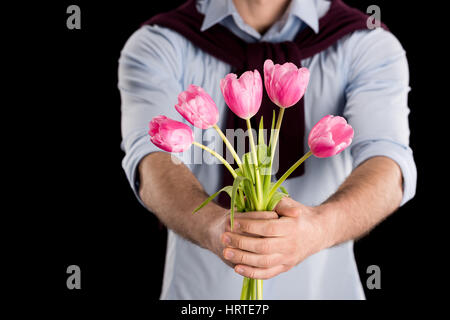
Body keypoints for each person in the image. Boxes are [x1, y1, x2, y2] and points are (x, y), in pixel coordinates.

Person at [119, 0, 416, 299]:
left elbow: (388, 161)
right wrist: (214, 228)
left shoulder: (366, 43)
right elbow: (151, 159)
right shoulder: (159, 42)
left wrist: (320, 229)